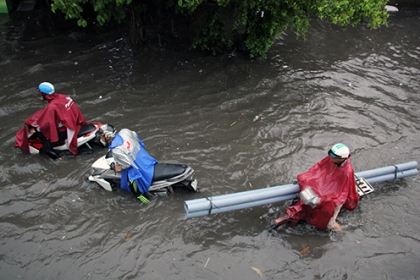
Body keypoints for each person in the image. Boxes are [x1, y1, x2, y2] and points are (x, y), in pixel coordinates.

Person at [273, 143, 360, 231]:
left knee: (329, 224)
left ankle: (342, 231)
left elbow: (342, 193)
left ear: (342, 158)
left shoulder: (347, 171)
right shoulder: (332, 160)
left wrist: (325, 200)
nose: (331, 158)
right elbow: (318, 167)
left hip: (334, 197)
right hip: (325, 187)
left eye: (334, 157)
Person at [15, 82, 87, 159]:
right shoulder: (65, 97)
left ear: (43, 94)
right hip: (74, 123)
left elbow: (47, 124)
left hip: (65, 129)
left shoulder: (51, 107)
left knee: (46, 148)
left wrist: (36, 129)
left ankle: (59, 160)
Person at [101, 125, 158, 203]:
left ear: (107, 137)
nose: (101, 138)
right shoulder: (125, 131)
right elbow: (137, 138)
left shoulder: (116, 150)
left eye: (102, 136)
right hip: (145, 160)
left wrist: (116, 167)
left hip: (139, 170)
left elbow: (127, 165)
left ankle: (146, 202)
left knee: (136, 191)